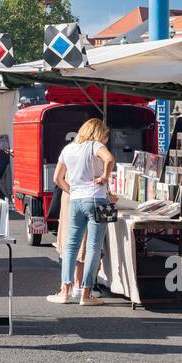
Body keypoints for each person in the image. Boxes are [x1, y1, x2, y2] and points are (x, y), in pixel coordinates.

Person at [47, 118, 117, 306]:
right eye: (105, 134)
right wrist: (104, 176)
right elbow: (109, 158)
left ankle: (65, 291)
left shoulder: (68, 149)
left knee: (71, 246)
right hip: (96, 200)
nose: (106, 138)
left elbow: (57, 178)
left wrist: (74, 191)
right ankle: (86, 294)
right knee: (93, 247)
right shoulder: (95, 146)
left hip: (76, 201)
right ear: (97, 132)